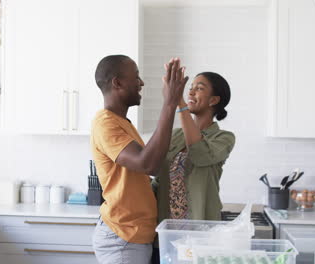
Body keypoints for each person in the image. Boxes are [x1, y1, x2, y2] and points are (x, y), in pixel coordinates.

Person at [90, 55, 188, 264]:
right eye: (136, 77)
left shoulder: (122, 122)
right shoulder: (105, 123)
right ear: (117, 83)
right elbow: (148, 164)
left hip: (132, 235)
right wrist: (169, 103)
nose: (141, 83)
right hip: (122, 237)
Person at [153, 71, 236, 223]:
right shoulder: (176, 135)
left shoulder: (224, 138)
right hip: (166, 229)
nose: (190, 92)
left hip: (200, 230)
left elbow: (199, 153)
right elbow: (159, 178)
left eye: (199, 88)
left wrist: (179, 101)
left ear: (213, 100)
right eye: (190, 87)